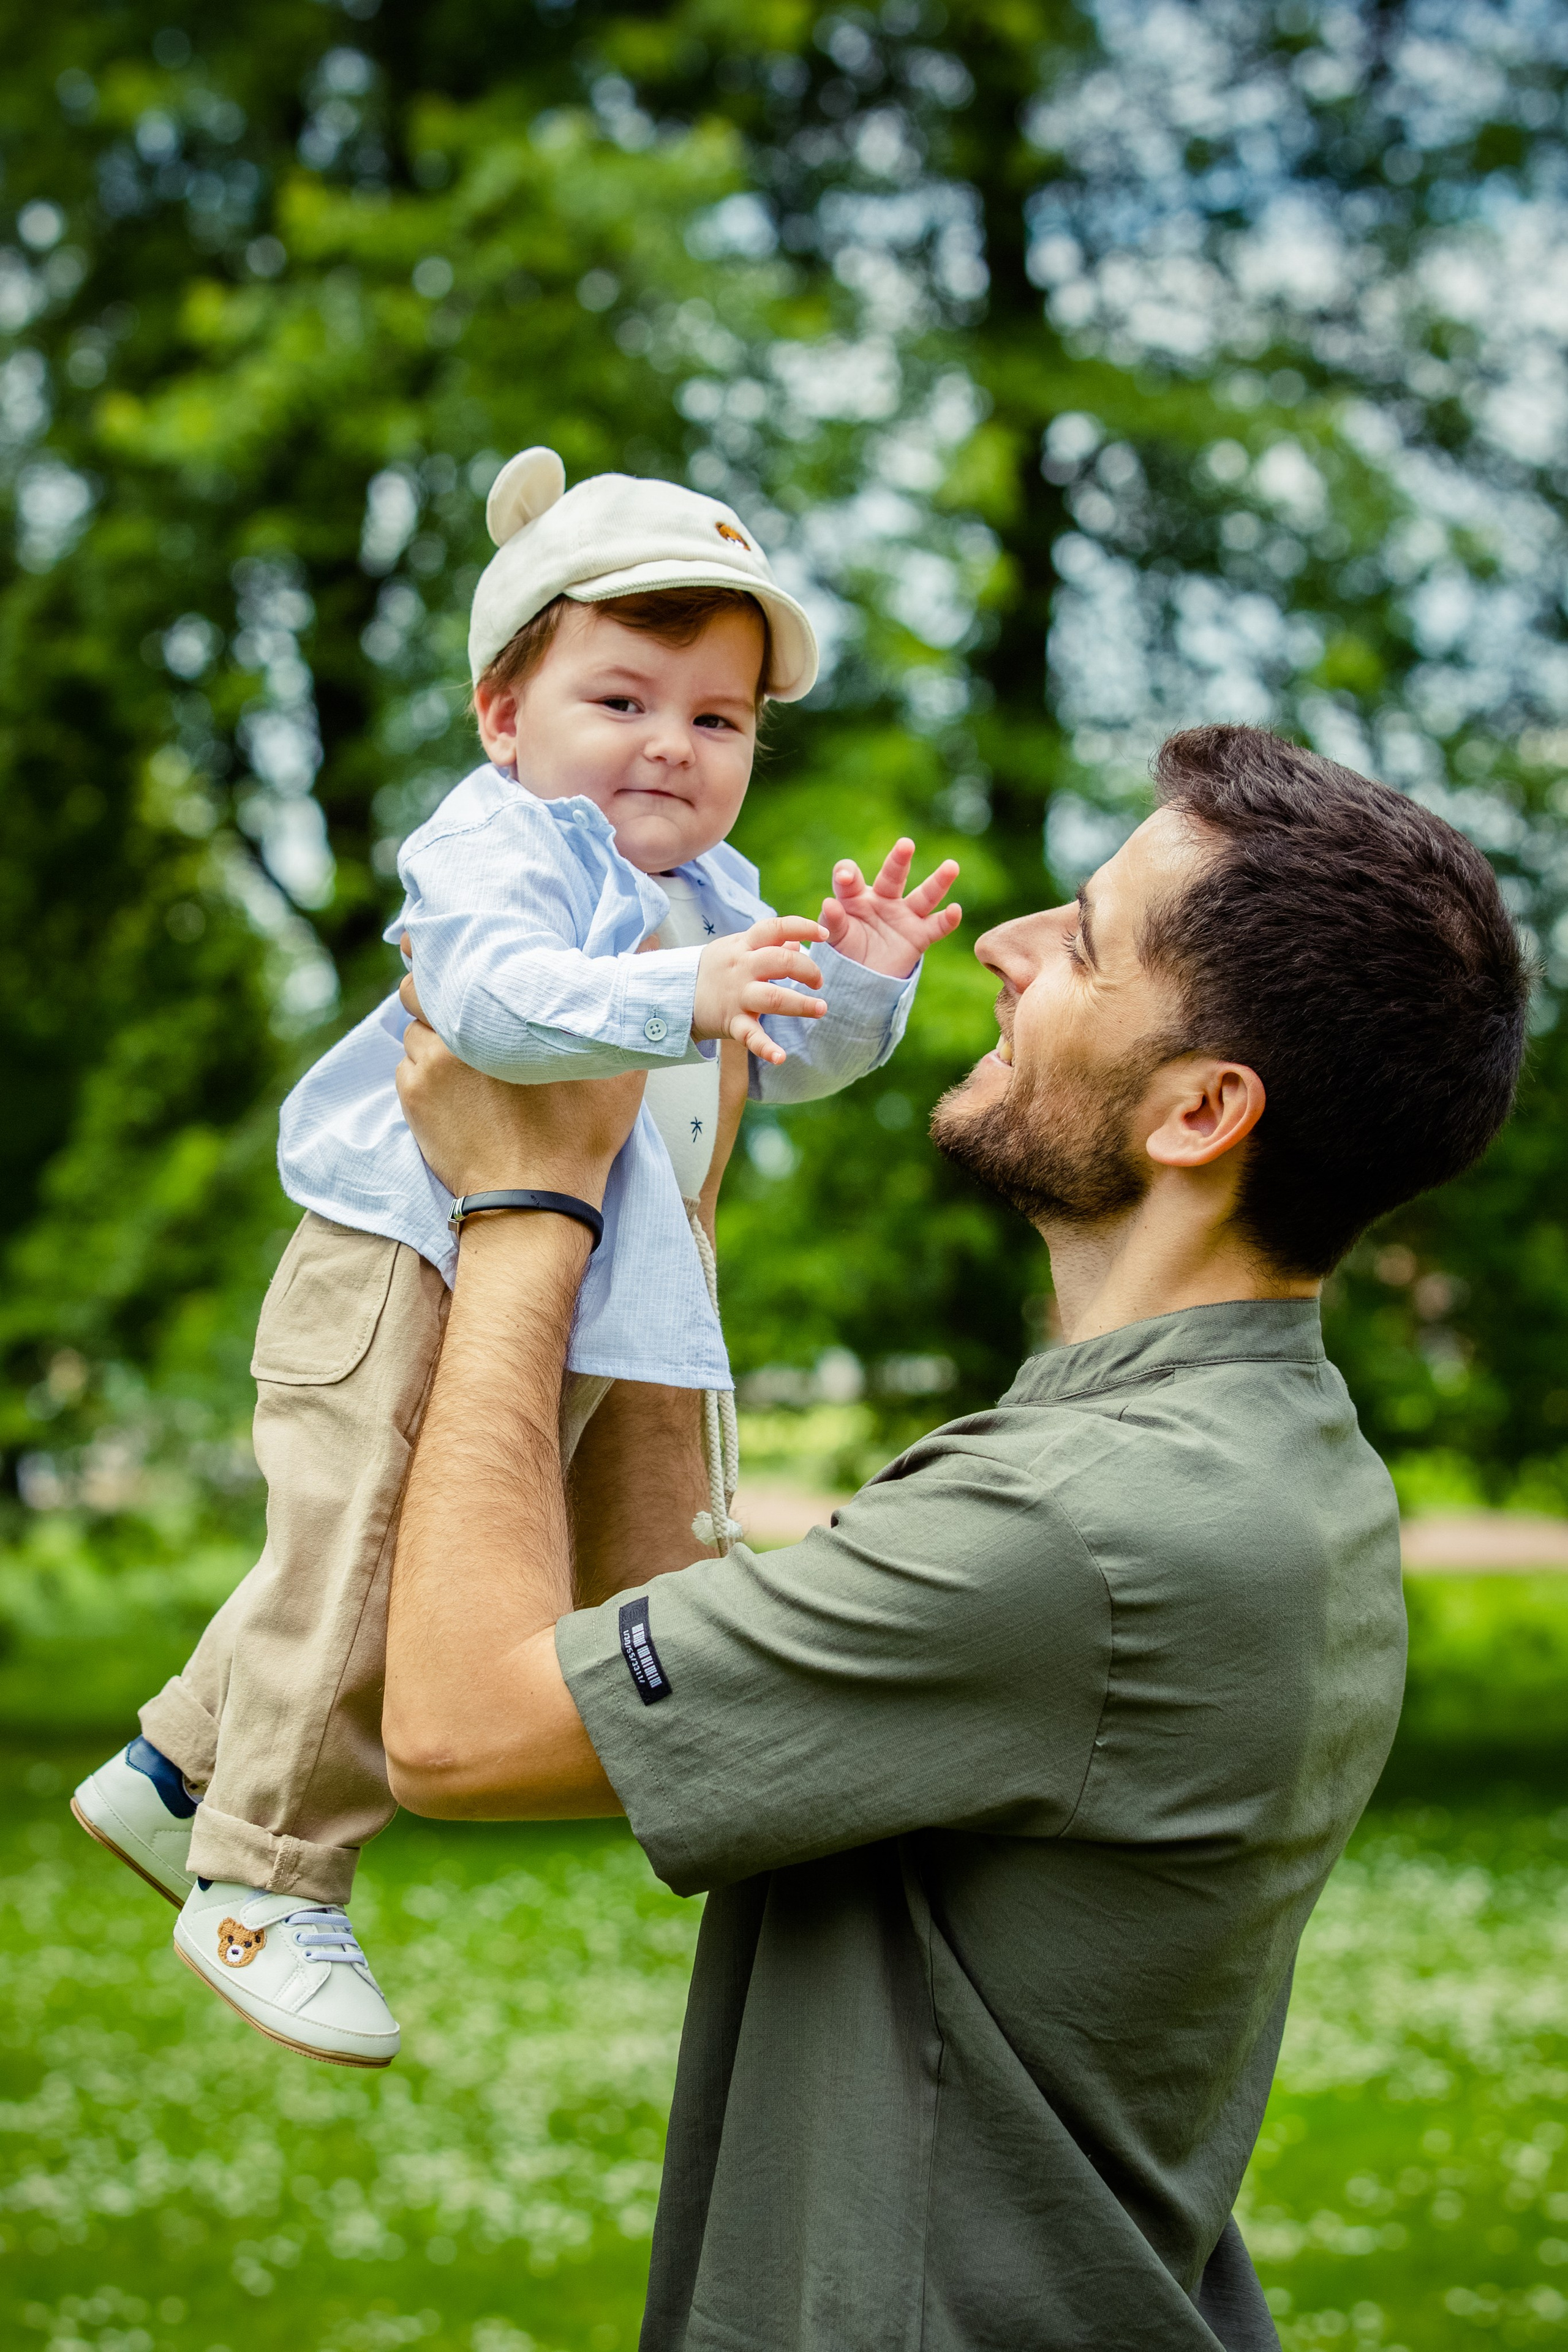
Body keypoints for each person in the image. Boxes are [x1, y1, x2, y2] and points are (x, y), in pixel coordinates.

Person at [379, 725, 1528, 2351]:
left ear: (1201, 1109)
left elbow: (458, 1728)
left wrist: (522, 1211)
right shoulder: (1255, 1460)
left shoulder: (1081, 1529)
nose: (999, 945)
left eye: (1078, 937)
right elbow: (681, 1651)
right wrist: (644, 1174)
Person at [69, 450, 961, 2068]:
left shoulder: (711, 887)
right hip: (402, 1260)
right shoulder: (501, 849)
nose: (670, 748)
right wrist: (679, 995)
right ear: (505, 716)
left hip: (551, 1288)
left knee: (379, 1549)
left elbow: (780, 1046)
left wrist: (865, 990)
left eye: (719, 721)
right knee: (370, 1556)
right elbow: (492, 1005)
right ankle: (263, 1879)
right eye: (622, 702)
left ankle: (174, 1766)